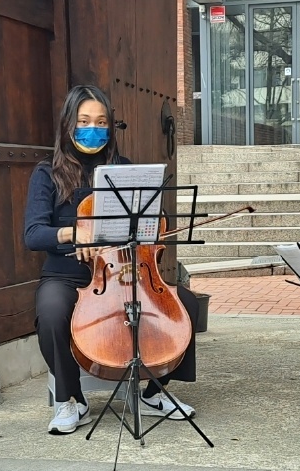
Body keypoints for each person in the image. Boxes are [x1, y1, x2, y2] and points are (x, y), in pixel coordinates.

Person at [24, 85, 201, 435]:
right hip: (67, 275)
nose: (94, 129)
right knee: (51, 311)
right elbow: (32, 234)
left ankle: (154, 392)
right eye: (85, 121)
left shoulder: (123, 169)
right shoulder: (47, 174)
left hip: (123, 271)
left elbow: (145, 222)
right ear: (69, 125)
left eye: (102, 122)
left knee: (185, 303)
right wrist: (72, 234)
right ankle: (72, 400)